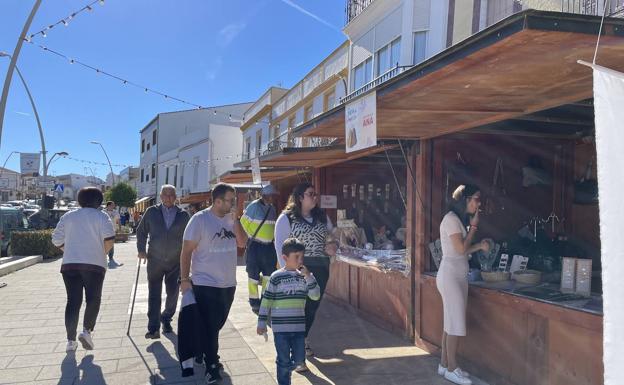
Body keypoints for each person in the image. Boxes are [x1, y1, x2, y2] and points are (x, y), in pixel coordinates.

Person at [179, 183, 247, 384]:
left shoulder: (232, 219)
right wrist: (184, 279)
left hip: (228, 283)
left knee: (216, 324)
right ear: (217, 201)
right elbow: (186, 251)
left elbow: (242, 243)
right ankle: (212, 365)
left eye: (233, 199)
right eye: (230, 200)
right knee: (210, 326)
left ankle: (202, 350)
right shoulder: (199, 220)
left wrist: (236, 221)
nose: (233, 203)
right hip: (204, 282)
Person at [274, 182, 337, 371]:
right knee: (298, 308)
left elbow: (332, 235)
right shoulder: (287, 218)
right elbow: (279, 246)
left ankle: (301, 340)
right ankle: (298, 351)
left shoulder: (321, 216)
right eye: (311, 194)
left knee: (312, 307)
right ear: (300, 197)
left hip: (321, 267)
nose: (315, 197)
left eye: (315, 194)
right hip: (298, 267)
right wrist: (287, 270)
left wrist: (332, 244)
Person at [436, 184, 490, 385]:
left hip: (457, 275)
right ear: (465, 199)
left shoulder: (457, 219)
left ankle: (444, 364)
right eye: (475, 198)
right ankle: (452, 368)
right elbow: (459, 249)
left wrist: (479, 246)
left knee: (450, 323)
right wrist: (474, 228)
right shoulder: (451, 219)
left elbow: (462, 250)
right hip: (450, 276)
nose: (478, 203)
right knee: (456, 323)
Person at [51, 187, 115, 352]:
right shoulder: (102, 216)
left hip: (70, 264)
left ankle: (70, 341)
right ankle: (87, 331)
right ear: (99, 201)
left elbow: (56, 238)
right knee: (93, 298)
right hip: (94, 265)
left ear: (79, 200)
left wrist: (70, 251)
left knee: (73, 301)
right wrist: (101, 253)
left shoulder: (69, 216)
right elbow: (109, 239)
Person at [257, 238, 320, 385]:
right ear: (285, 258)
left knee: (299, 359)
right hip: (280, 329)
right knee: (284, 359)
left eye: (302, 257)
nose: (300, 260)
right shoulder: (276, 277)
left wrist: (309, 277)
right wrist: (261, 322)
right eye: (296, 257)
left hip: (298, 328)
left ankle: (284, 367)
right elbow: (267, 301)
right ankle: (284, 378)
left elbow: (315, 295)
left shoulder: (305, 276)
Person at [137, 185, 190, 339]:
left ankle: (166, 317)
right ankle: (153, 327)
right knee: (154, 293)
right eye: (165, 194)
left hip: (175, 261)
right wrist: (141, 250)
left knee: (173, 292)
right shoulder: (151, 212)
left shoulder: (183, 215)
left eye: (171, 194)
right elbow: (141, 231)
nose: (168, 197)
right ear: (160, 196)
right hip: (154, 260)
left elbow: (190, 237)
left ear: (175, 197)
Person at [240, 184, 279, 313]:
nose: (274, 198)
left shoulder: (272, 209)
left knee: (269, 275)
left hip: (269, 247)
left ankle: (264, 301)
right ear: (265, 195)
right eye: (272, 196)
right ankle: (254, 301)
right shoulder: (254, 206)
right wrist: (251, 235)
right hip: (255, 246)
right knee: (253, 276)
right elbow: (243, 222)